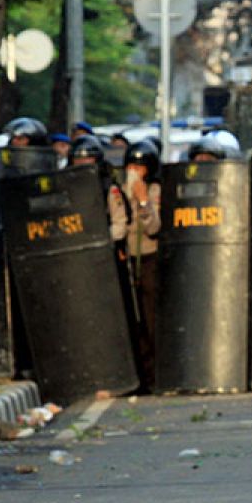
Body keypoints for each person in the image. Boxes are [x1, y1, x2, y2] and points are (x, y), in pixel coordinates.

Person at [118, 140, 162, 390]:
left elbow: (154, 227)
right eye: (131, 166)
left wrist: (143, 201)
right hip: (126, 259)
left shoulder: (155, 191)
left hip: (148, 258)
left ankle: (153, 376)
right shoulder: (119, 191)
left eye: (140, 167)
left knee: (149, 318)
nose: (135, 172)